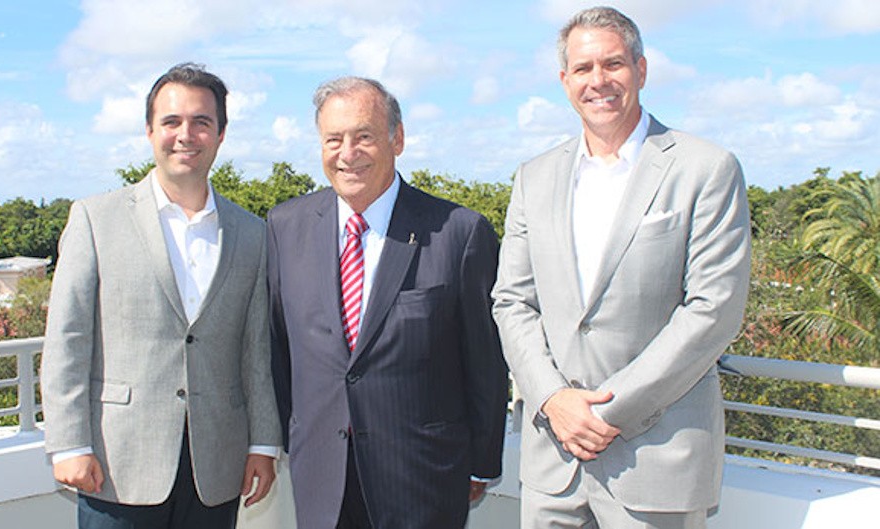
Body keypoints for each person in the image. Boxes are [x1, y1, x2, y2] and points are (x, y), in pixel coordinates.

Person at [492, 6, 751, 528]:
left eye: (613, 64)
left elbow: (713, 311)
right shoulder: (533, 177)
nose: (599, 81)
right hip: (552, 466)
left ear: (642, 69)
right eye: (584, 69)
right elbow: (512, 301)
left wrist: (607, 413)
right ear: (565, 80)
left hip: (658, 462)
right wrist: (554, 401)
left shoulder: (706, 168)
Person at [41, 62, 281, 529]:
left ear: (221, 134)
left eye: (201, 122)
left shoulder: (253, 234)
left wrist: (263, 445)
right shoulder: (95, 219)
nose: (185, 135)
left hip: (216, 467)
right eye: (171, 122)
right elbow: (67, 338)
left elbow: (257, 350)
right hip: (116, 464)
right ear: (150, 130)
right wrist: (69, 444)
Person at [268, 76, 509, 528]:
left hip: (423, 481)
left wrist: (482, 461)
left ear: (397, 139)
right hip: (321, 478)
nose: (348, 153)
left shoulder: (459, 233)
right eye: (333, 139)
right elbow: (279, 348)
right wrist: (293, 440)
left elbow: (485, 363)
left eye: (364, 136)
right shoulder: (285, 226)